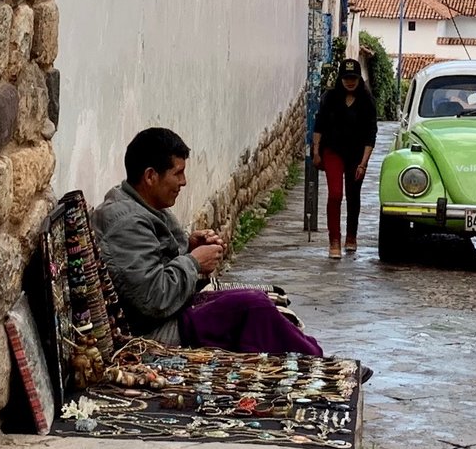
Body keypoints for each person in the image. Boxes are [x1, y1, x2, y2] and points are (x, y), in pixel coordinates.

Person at [94, 127, 324, 357]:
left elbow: (157, 263)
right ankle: (317, 363)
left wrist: (189, 247)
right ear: (151, 176)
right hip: (152, 333)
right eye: (178, 173)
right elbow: (154, 298)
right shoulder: (126, 223)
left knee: (258, 302)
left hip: (171, 314)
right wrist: (193, 262)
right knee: (252, 306)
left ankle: (308, 355)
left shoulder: (143, 206)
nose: (183, 182)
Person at [314, 57, 379, 259]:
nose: (350, 81)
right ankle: (334, 240)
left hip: (357, 155)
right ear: (340, 79)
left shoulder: (367, 102)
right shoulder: (329, 98)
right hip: (332, 151)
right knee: (335, 194)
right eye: (346, 77)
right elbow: (319, 126)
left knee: (353, 195)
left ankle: (351, 235)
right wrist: (316, 151)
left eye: (353, 77)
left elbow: (371, 133)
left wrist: (364, 162)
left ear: (359, 79)